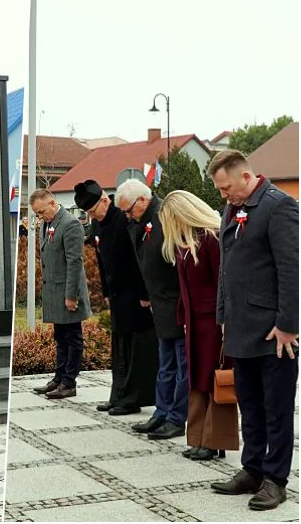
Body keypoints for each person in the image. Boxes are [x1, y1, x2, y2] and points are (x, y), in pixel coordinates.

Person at [206, 150, 298, 511]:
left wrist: (288, 325)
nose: (223, 196)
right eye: (220, 190)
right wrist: (223, 316)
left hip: (274, 333)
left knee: (276, 409)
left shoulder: (279, 207)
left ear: (246, 177)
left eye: (227, 187)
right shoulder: (232, 208)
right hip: (241, 328)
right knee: (250, 405)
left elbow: (291, 270)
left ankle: (276, 479)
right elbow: (227, 269)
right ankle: (253, 469)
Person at [158, 190, 240, 461]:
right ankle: (201, 437)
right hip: (194, 322)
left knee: (214, 378)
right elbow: (185, 287)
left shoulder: (212, 239)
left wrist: (225, 321)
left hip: (213, 323)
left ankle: (215, 440)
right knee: (198, 379)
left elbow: (224, 284)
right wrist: (183, 318)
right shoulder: (187, 242)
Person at [75, 181, 157, 414]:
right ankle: (118, 393)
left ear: (104, 200)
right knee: (119, 346)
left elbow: (137, 258)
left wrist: (144, 293)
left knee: (135, 347)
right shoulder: (98, 223)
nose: (93, 216)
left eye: (93, 211)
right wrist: (107, 293)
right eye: (89, 214)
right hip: (118, 294)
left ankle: (132, 398)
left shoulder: (123, 218)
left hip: (135, 294)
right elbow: (101, 260)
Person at [116, 179, 188, 441]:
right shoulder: (140, 222)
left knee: (182, 365)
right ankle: (162, 411)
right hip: (160, 303)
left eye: (129, 210)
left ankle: (177, 417)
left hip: (176, 302)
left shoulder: (165, 214)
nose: (127, 216)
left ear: (143, 201)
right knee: (165, 363)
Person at [30, 190, 92, 399]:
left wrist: (71, 296)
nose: (39, 217)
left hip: (68, 292)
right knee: (60, 337)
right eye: (36, 214)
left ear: (52, 203)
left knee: (73, 337)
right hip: (54, 291)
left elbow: (75, 262)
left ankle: (69, 382)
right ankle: (59, 377)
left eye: (40, 212)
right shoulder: (47, 224)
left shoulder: (70, 224)